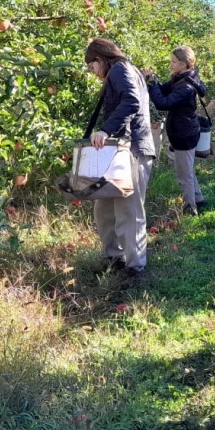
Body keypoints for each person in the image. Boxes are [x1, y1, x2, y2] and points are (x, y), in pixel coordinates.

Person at [84, 38, 156, 283]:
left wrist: (105, 130)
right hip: (119, 151)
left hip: (132, 150)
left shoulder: (121, 69)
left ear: (100, 58)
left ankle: (136, 268)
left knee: (129, 209)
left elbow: (132, 102)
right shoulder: (122, 71)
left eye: (91, 66)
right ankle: (115, 257)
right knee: (104, 206)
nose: (92, 73)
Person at [144, 46, 207, 216]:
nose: (171, 65)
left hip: (184, 133)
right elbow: (162, 90)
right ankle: (198, 199)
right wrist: (152, 81)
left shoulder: (185, 87)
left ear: (184, 64)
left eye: (173, 62)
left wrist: (151, 83)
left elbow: (163, 103)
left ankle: (190, 208)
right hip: (185, 130)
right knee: (187, 168)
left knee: (183, 174)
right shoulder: (182, 79)